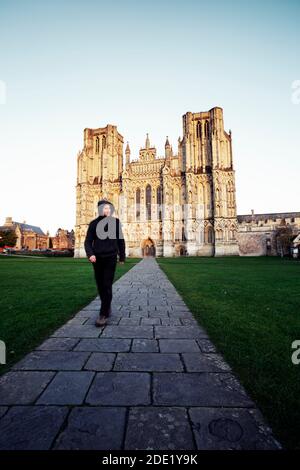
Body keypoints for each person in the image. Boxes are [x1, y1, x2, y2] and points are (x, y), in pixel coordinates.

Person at [84, 199, 126, 327]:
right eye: (104, 208)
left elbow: (120, 241)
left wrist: (122, 257)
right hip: (97, 259)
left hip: (110, 258)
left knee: (107, 284)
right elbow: (87, 241)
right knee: (101, 285)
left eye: (109, 208)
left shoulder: (115, 223)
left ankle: (103, 314)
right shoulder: (93, 224)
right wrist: (90, 254)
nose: (107, 210)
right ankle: (107, 306)